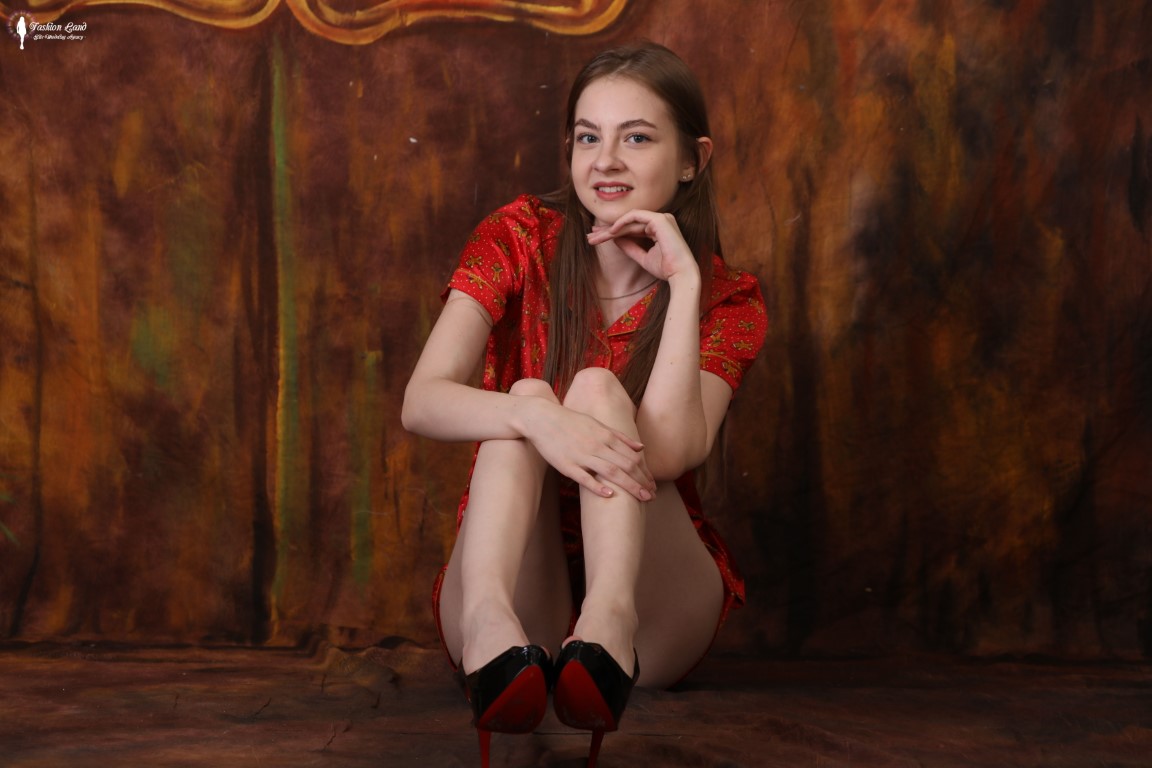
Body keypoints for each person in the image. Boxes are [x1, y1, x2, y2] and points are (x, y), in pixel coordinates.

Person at [402, 41, 767, 768]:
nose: (606, 161)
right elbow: (421, 401)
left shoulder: (728, 298)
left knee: (596, 387)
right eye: (588, 137)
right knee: (526, 397)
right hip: (516, 586)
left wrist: (683, 284)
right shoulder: (518, 238)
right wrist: (535, 416)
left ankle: (606, 626)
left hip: (652, 605)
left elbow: (670, 454)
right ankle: (489, 629)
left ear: (692, 159)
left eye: (637, 138)